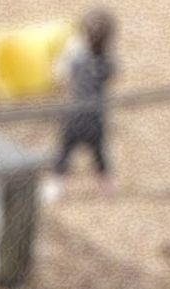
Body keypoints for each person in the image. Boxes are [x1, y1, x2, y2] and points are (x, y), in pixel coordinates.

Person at [54, 11, 117, 189]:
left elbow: (63, 76)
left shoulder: (78, 62)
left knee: (64, 151)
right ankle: (107, 186)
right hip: (95, 116)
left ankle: (56, 186)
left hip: (74, 115)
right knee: (99, 154)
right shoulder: (106, 63)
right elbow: (111, 76)